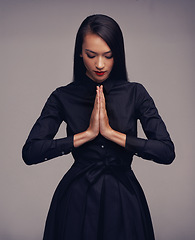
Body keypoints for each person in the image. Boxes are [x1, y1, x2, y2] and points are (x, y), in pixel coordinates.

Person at [22, 14, 175, 240]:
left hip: (124, 201)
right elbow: (30, 152)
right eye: (91, 55)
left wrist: (113, 135)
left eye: (108, 55)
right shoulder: (63, 96)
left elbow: (166, 151)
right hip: (76, 200)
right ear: (80, 53)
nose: (100, 64)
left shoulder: (135, 93)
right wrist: (86, 135)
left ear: (118, 55)